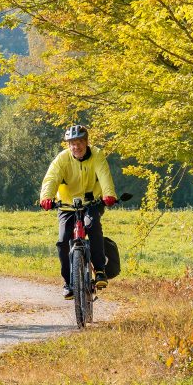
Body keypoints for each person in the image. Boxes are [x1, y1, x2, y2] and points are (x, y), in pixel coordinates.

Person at [39, 124, 118, 299]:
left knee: (92, 225)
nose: (76, 147)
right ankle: (68, 283)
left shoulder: (97, 155)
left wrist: (109, 195)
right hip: (67, 205)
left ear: (86, 142)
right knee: (62, 240)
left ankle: (99, 271)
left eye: (80, 142)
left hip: (92, 202)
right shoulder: (62, 159)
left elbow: (104, 175)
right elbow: (51, 178)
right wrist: (46, 197)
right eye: (72, 143)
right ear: (68, 145)